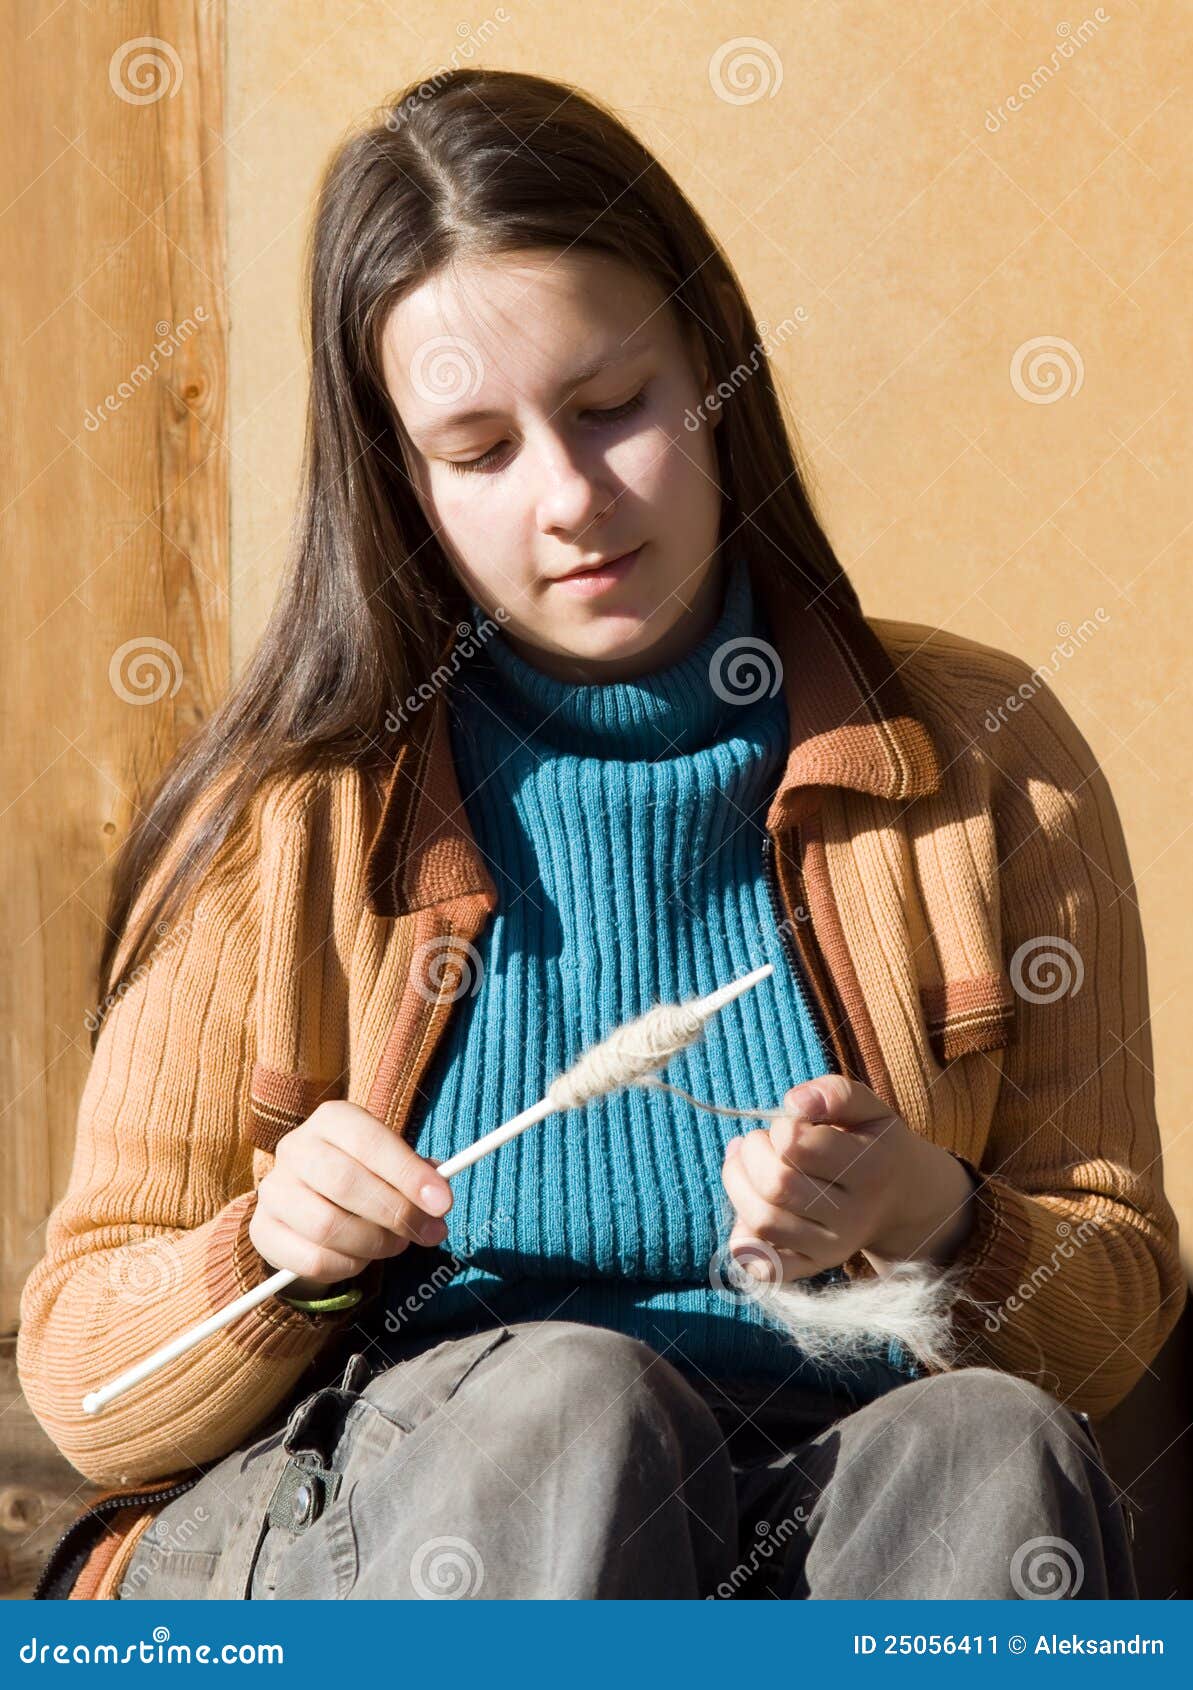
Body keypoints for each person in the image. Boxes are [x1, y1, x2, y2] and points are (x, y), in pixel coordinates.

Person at [18, 68, 1183, 1601]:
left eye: (609, 406)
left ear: (713, 370)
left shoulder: (984, 757)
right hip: (402, 1503)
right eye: (479, 450)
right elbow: (87, 1387)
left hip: (817, 1484)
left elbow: (1110, 1322)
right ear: (398, 479)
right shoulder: (277, 819)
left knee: (985, 1449)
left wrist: (938, 1217)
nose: (567, 497)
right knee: (580, 1408)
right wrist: (264, 1255)